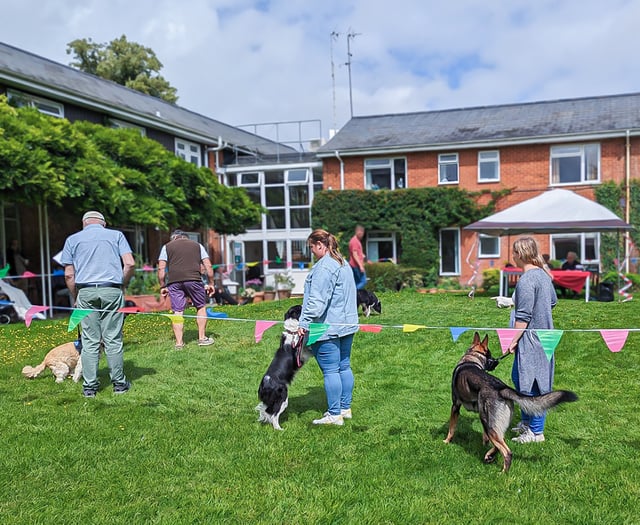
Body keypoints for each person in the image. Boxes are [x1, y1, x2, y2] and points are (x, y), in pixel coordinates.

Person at [60, 211, 135, 398]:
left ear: (84, 223)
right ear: (104, 223)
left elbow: (69, 274)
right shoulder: (116, 235)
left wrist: (76, 295)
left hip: (85, 291)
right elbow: (130, 264)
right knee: (113, 338)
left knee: (89, 340)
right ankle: (119, 384)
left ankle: (90, 387)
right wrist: (122, 285)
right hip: (112, 289)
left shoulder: (72, 239)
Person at [297, 229, 359, 425]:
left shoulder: (324, 267)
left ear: (320, 245)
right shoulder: (343, 263)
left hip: (326, 326)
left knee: (331, 370)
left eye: (312, 248)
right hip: (346, 323)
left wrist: (304, 323)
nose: (312, 252)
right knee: (344, 366)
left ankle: (334, 414)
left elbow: (316, 303)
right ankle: (344, 407)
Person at [506, 237, 558, 443]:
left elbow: (523, 316)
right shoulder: (544, 276)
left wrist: (513, 340)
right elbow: (553, 301)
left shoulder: (527, 280)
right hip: (544, 336)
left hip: (534, 338)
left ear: (520, 254)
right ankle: (527, 422)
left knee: (535, 384)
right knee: (520, 379)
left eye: (514, 252)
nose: (512, 256)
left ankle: (536, 432)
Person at [157, 230, 215, 349]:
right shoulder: (197, 246)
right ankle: (202, 338)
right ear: (186, 238)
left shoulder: (166, 247)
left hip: (174, 282)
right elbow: (208, 265)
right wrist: (211, 283)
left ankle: (179, 343)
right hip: (194, 280)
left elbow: (161, 269)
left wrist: (163, 286)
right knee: (200, 306)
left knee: (177, 311)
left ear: (173, 238)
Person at [348, 225, 367, 290]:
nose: (362, 235)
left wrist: (362, 255)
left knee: (356, 282)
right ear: (359, 232)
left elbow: (357, 253)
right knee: (363, 281)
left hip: (355, 265)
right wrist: (361, 266)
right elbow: (354, 254)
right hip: (356, 265)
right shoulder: (355, 241)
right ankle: (354, 293)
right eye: (362, 233)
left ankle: (356, 297)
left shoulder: (356, 241)